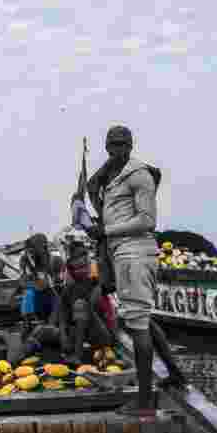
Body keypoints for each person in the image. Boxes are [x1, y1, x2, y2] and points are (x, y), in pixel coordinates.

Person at [85, 125, 184, 418]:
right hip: (121, 253)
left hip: (135, 252)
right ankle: (174, 375)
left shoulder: (138, 175)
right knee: (140, 318)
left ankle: (143, 402)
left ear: (131, 145)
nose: (117, 150)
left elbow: (146, 219)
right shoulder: (112, 177)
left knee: (137, 325)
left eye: (122, 145)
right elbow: (95, 186)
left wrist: (106, 230)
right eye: (112, 146)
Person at [57, 242, 116, 365]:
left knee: (80, 305)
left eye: (84, 267)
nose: (81, 271)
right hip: (81, 334)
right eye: (77, 269)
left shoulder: (96, 284)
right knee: (43, 331)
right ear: (71, 270)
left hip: (101, 335)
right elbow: (62, 316)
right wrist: (63, 336)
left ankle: (77, 355)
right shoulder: (69, 289)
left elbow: (112, 282)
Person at [18, 234, 55, 336]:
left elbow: (51, 277)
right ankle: (28, 324)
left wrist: (45, 283)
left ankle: (49, 322)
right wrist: (33, 285)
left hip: (47, 288)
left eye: (44, 246)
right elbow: (22, 280)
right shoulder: (24, 259)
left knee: (52, 295)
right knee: (29, 295)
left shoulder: (48, 257)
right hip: (33, 288)